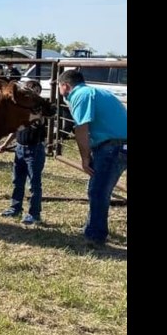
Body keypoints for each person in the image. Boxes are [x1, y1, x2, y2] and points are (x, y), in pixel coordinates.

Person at [58, 69, 128, 246]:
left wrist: (85, 158)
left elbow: (81, 128)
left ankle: (95, 236)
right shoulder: (99, 92)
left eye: (59, 87)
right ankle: (93, 228)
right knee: (97, 189)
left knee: (98, 191)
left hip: (111, 146)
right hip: (119, 143)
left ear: (65, 86)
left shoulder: (80, 95)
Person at [0, 80, 48, 224]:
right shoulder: (21, 109)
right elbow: (16, 129)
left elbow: (33, 121)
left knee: (33, 183)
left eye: (36, 91)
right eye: (30, 90)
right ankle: (15, 208)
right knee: (17, 180)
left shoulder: (39, 110)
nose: (33, 92)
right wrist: (5, 144)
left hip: (34, 149)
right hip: (20, 148)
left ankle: (34, 214)